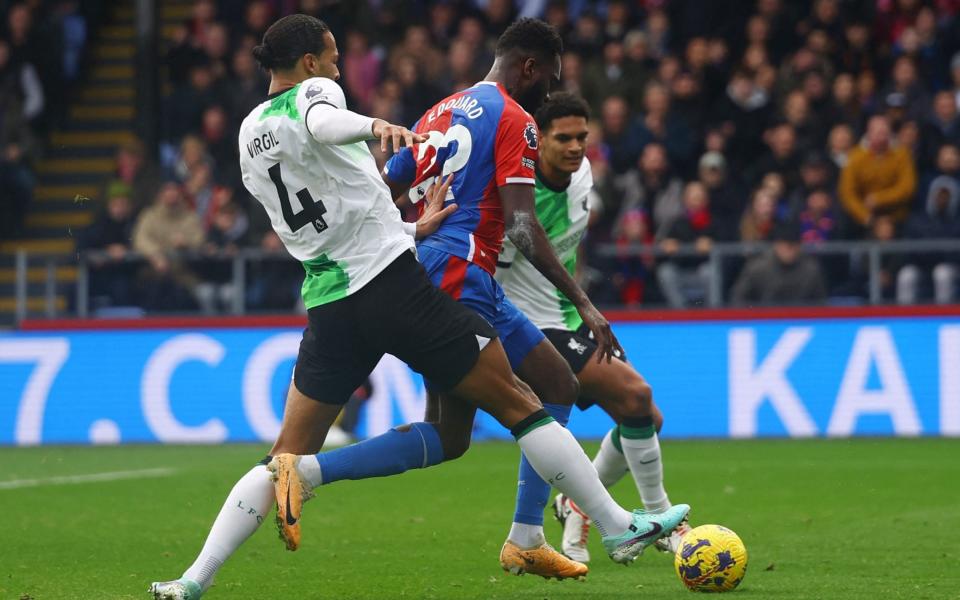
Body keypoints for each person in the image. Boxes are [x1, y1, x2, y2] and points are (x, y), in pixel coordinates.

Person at [150, 15, 687, 600]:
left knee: (293, 450)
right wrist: (375, 123)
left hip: (331, 301)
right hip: (396, 288)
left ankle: (191, 579)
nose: (337, 67)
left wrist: (406, 227)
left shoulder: (251, 130)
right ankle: (613, 526)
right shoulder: (321, 94)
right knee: (526, 404)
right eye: (331, 58)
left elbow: (341, 198)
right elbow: (325, 123)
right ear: (309, 63)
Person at [381, 17, 656, 580]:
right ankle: (308, 472)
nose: (549, 94)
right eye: (548, 80)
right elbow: (524, 226)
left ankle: (532, 534)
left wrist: (405, 234)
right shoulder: (516, 119)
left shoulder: (437, 111)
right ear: (528, 67)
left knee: (510, 406)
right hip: (460, 278)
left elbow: (383, 187)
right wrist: (584, 301)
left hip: (436, 274)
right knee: (502, 412)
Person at [495, 92, 690, 562]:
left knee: (646, 419)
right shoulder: (514, 191)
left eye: (582, 136)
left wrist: (579, 301)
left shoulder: (583, 176)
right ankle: (663, 522)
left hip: (566, 315)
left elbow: (568, 248)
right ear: (538, 139)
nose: (575, 146)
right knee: (637, 399)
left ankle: (576, 505)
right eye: (563, 138)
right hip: (527, 324)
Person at [838, 115, 917, 234]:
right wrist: (865, 216)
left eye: (885, 133)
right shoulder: (855, 157)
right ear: (869, 133)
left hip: (897, 215)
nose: (882, 138)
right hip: (864, 216)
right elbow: (847, 193)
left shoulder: (901, 154)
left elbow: (907, 187)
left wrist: (879, 199)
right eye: (878, 133)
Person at [731, 221, 827, 306]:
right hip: (764, 319)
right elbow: (738, 298)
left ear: (799, 246)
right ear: (776, 245)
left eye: (793, 246)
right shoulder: (758, 267)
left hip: (801, 321)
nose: (789, 251)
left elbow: (820, 302)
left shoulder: (811, 270)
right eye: (785, 245)